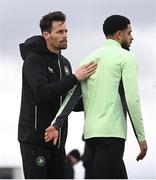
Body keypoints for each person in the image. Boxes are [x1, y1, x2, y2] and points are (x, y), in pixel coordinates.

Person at [45, 15, 148, 179]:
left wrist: (56, 124)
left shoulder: (88, 58)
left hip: (91, 136)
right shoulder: (127, 58)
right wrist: (141, 138)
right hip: (112, 136)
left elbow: (72, 96)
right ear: (119, 35)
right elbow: (132, 99)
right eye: (129, 33)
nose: (132, 37)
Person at [18, 11, 97, 179]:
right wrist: (75, 78)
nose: (65, 35)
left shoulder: (65, 63)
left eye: (66, 31)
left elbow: (69, 102)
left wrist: (98, 100)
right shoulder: (33, 60)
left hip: (59, 143)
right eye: (60, 32)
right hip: (35, 141)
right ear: (46, 35)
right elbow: (42, 92)